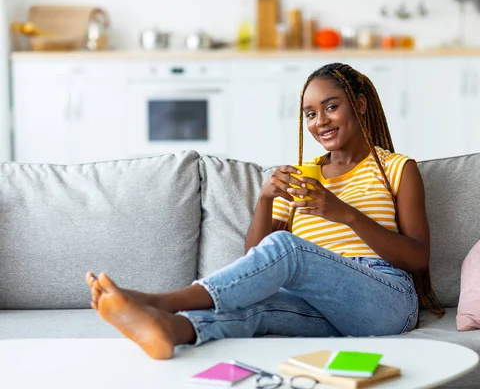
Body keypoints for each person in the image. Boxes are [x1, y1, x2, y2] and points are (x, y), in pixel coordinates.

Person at [85, 62, 444, 360]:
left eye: (331, 107)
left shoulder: (396, 168)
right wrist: (266, 199)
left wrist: (344, 213)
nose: (320, 122)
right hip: (327, 309)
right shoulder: (305, 177)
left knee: (288, 247)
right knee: (250, 308)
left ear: (360, 105)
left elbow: (417, 257)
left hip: (386, 300)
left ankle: (160, 301)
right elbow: (256, 263)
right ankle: (168, 331)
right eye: (310, 113)